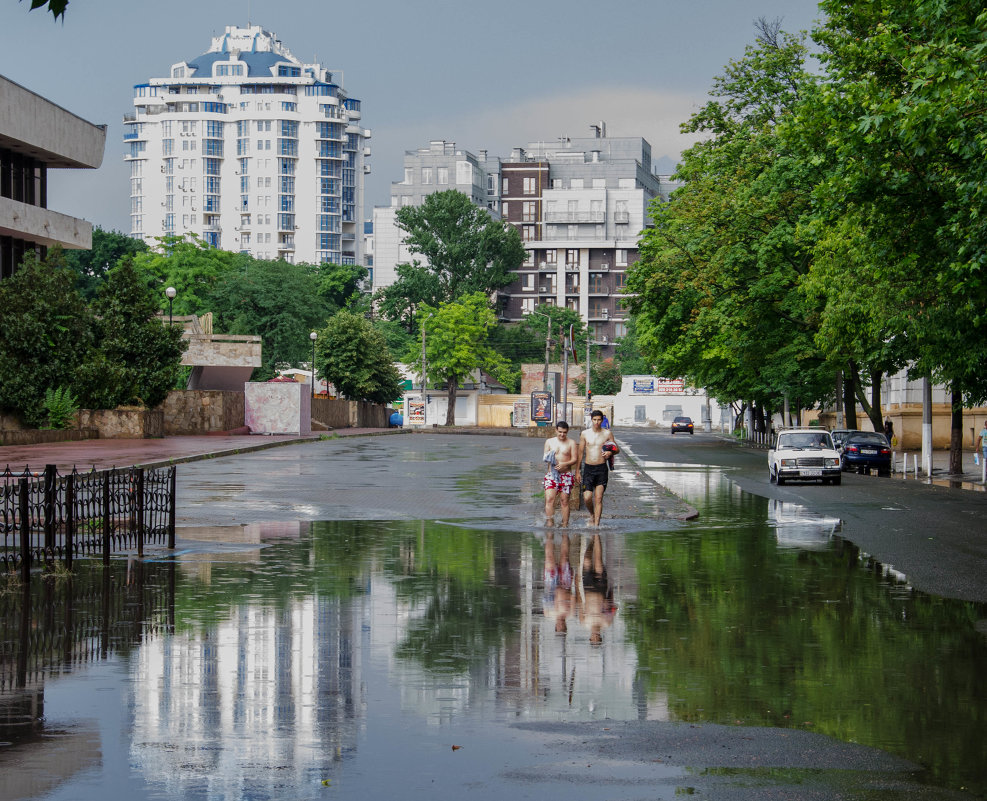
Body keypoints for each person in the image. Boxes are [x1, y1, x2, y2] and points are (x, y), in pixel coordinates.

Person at [576, 410, 619, 526]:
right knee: (587, 497)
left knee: (598, 498)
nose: (597, 422)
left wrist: (610, 453)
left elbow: (616, 449)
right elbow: (580, 453)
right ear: (591, 419)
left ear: (602, 420)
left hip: (601, 469)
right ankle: (592, 514)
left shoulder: (607, 433)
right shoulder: (585, 434)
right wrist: (577, 471)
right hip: (588, 469)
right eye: (594, 420)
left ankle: (596, 525)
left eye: (599, 420)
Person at [543, 420, 578, 526]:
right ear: (556, 430)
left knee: (564, 500)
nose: (562, 434)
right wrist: (552, 454)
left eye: (564, 432)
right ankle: (550, 523)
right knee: (549, 499)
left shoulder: (571, 443)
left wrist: (564, 464)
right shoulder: (549, 442)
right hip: (552, 474)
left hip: (566, 475)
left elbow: (575, 459)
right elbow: (545, 458)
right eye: (560, 432)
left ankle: (565, 524)